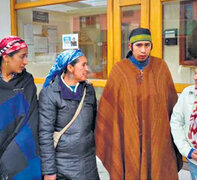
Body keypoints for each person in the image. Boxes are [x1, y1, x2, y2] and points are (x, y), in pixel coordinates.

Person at [95, 27, 182, 179]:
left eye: (147, 45)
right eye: (138, 45)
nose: (143, 50)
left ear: (151, 46)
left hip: (158, 138)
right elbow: (109, 110)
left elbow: (172, 106)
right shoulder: (119, 71)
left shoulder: (161, 68)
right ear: (130, 46)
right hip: (128, 137)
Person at [39, 49, 99, 180]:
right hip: (63, 167)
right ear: (70, 67)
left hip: (88, 164)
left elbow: (93, 125)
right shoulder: (50, 94)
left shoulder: (88, 91)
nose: (87, 69)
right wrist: (49, 171)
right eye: (83, 65)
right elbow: (45, 134)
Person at [0, 36, 41, 179]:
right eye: (21, 56)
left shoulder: (27, 81)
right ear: (6, 57)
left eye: (27, 56)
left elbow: (31, 118)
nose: (26, 62)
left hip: (21, 151)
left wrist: (12, 152)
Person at [170, 57, 197, 180]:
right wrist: (188, 151)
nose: (195, 77)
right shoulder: (187, 93)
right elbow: (176, 123)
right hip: (195, 161)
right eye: (195, 73)